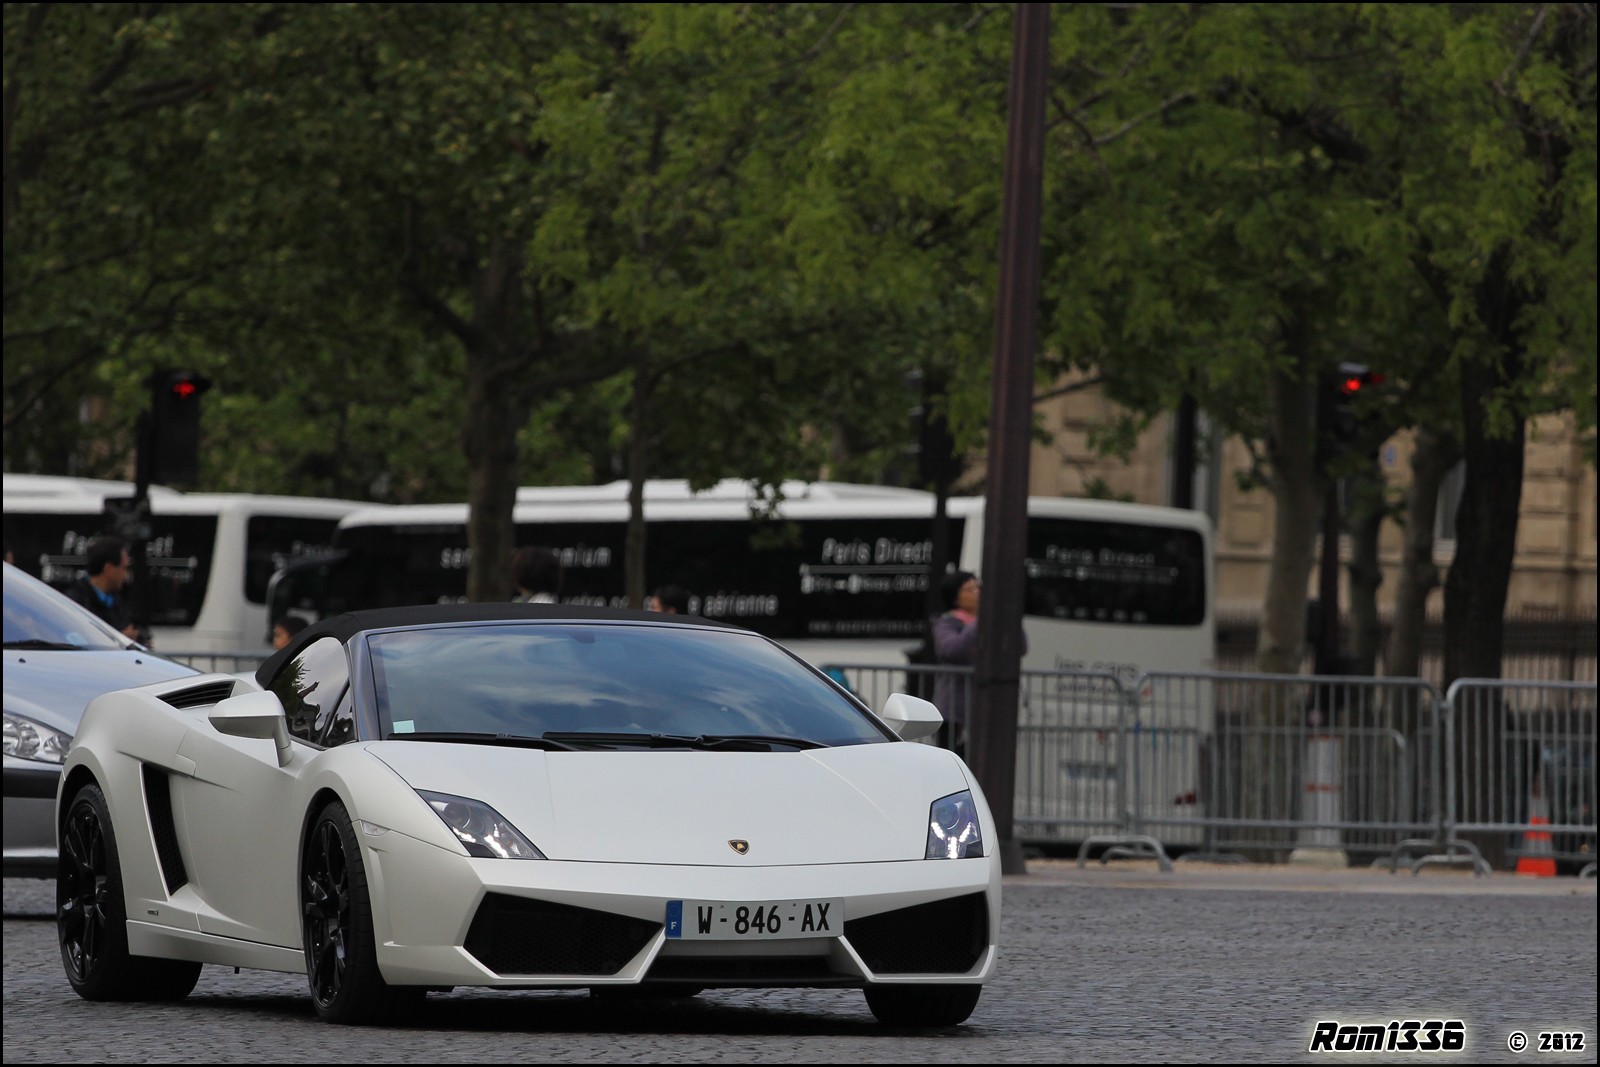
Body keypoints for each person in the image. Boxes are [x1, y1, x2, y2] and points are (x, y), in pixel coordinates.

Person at [931, 570, 982, 755]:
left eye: (977, 587)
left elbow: (1021, 647)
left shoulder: (988, 622)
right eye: (970, 589)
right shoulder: (945, 624)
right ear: (955, 598)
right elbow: (952, 648)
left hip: (981, 710)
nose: (978, 592)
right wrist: (978, 622)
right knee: (950, 758)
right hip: (953, 712)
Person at [65, 537, 139, 640]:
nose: (125, 576)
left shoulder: (118, 602)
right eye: (123, 568)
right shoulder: (75, 603)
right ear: (108, 568)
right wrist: (116, 639)